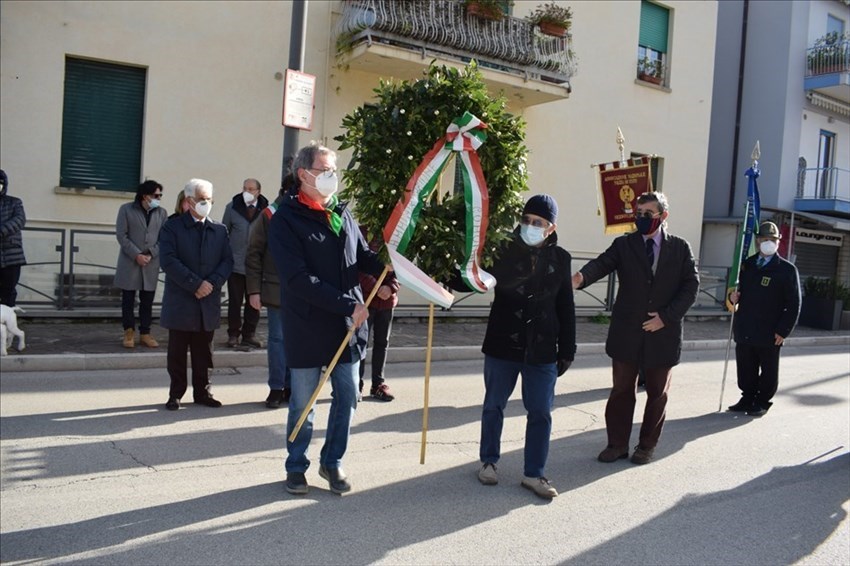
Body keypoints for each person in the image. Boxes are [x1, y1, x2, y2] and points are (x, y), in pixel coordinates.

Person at [268, 144, 393, 496]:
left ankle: (332, 461)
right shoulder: (286, 220)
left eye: (333, 169)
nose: (331, 176)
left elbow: (363, 256)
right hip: (309, 325)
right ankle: (296, 465)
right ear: (303, 174)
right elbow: (297, 279)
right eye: (324, 170)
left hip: (348, 327)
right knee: (304, 404)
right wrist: (346, 304)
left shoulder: (342, 211)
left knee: (348, 397)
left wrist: (386, 276)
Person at [572, 191, 698, 465]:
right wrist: (581, 278)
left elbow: (691, 287)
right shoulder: (624, 245)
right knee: (621, 391)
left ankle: (646, 446)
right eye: (638, 214)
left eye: (648, 214)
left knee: (657, 393)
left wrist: (665, 317)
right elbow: (602, 264)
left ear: (663, 216)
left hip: (663, 333)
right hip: (627, 332)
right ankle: (617, 444)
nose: (641, 219)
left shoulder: (680, 248)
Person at [477, 194, 576, 500]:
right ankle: (489, 462)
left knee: (541, 412)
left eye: (538, 223)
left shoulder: (561, 259)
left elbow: (566, 306)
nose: (530, 226)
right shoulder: (502, 248)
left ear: (550, 227)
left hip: (542, 349)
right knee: (494, 405)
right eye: (527, 220)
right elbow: (476, 278)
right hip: (502, 345)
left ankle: (534, 473)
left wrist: (567, 349)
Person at [159, 178, 233, 411]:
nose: (206, 203)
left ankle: (203, 392)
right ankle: (176, 393)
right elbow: (169, 261)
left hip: (207, 301)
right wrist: (194, 284)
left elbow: (227, 261)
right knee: (178, 352)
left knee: (205, 352)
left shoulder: (219, 229)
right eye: (201, 199)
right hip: (182, 300)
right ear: (189, 201)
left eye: (209, 200)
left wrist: (211, 283)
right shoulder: (172, 227)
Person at [728, 221, 801, 417]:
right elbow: (736, 292)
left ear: (778, 242)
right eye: (764, 239)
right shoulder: (747, 265)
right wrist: (732, 297)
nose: (768, 243)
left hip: (770, 330)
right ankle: (747, 397)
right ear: (758, 241)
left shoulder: (786, 270)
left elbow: (794, 304)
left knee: (768, 369)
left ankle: (762, 401)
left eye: (772, 240)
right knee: (745, 366)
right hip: (745, 326)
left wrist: (784, 330)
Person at [246, 178, 293, 409]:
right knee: (277, 340)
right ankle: (276, 387)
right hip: (276, 290)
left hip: (305, 290)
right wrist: (254, 290)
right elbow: (254, 253)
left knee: (298, 340)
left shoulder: (312, 211)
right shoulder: (269, 214)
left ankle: (292, 386)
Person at [114, 180, 168, 348]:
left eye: (160, 195)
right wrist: (136, 254)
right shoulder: (126, 209)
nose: (159, 198)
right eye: (156, 195)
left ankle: (145, 332)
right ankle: (128, 331)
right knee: (128, 299)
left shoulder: (161, 213)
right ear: (145, 196)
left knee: (147, 300)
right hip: (130, 261)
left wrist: (151, 253)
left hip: (151, 262)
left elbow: (164, 238)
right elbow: (121, 235)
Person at [222, 178, 268, 348]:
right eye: (244, 188)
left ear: (258, 191)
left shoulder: (266, 210)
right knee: (235, 301)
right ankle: (233, 334)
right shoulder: (232, 207)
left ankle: (249, 334)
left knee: (254, 302)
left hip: (257, 266)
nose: (247, 191)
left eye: (251, 189)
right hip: (235, 264)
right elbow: (224, 232)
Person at [357, 225, 401, 402]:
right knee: (360, 343)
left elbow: (401, 268)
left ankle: (378, 384)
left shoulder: (396, 236)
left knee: (382, 342)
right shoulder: (362, 232)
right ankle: (356, 384)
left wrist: (391, 287)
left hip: (387, 301)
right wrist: (375, 288)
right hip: (365, 300)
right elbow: (357, 266)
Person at [0, 169, 27, 307]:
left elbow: (19, 220)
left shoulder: (14, 202)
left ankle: (8, 325)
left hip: (11, 256)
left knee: (8, 291)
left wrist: (1, 231)